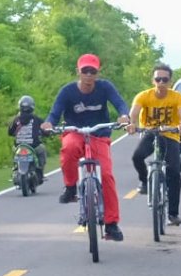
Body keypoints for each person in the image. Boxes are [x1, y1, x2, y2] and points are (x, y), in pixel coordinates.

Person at [42, 54, 130, 242]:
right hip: (75, 131)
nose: (89, 75)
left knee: (106, 175)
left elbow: (120, 103)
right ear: (78, 72)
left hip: (99, 134)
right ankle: (71, 187)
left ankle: (111, 223)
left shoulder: (105, 87)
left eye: (93, 71)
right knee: (69, 150)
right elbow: (54, 113)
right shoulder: (67, 91)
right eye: (85, 71)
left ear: (97, 73)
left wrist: (124, 116)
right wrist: (49, 124)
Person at [126, 64, 181, 227]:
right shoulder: (144, 96)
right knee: (137, 156)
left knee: (174, 172)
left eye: (165, 79)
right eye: (158, 79)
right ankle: (145, 182)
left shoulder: (177, 97)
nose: (161, 83)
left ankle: (173, 214)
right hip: (150, 132)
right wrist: (132, 123)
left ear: (170, 81)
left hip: (169, 134)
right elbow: (133, 113)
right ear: (153, 80)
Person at [8, 95, 47, 184]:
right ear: (32, 107)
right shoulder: (37, 119)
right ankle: (40, 171)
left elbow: (10, 132)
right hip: (34, 146)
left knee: (14, 152)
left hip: (18, 146)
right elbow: (46, 131)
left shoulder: (15, 120)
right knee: (42, 151)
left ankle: (15, 169)